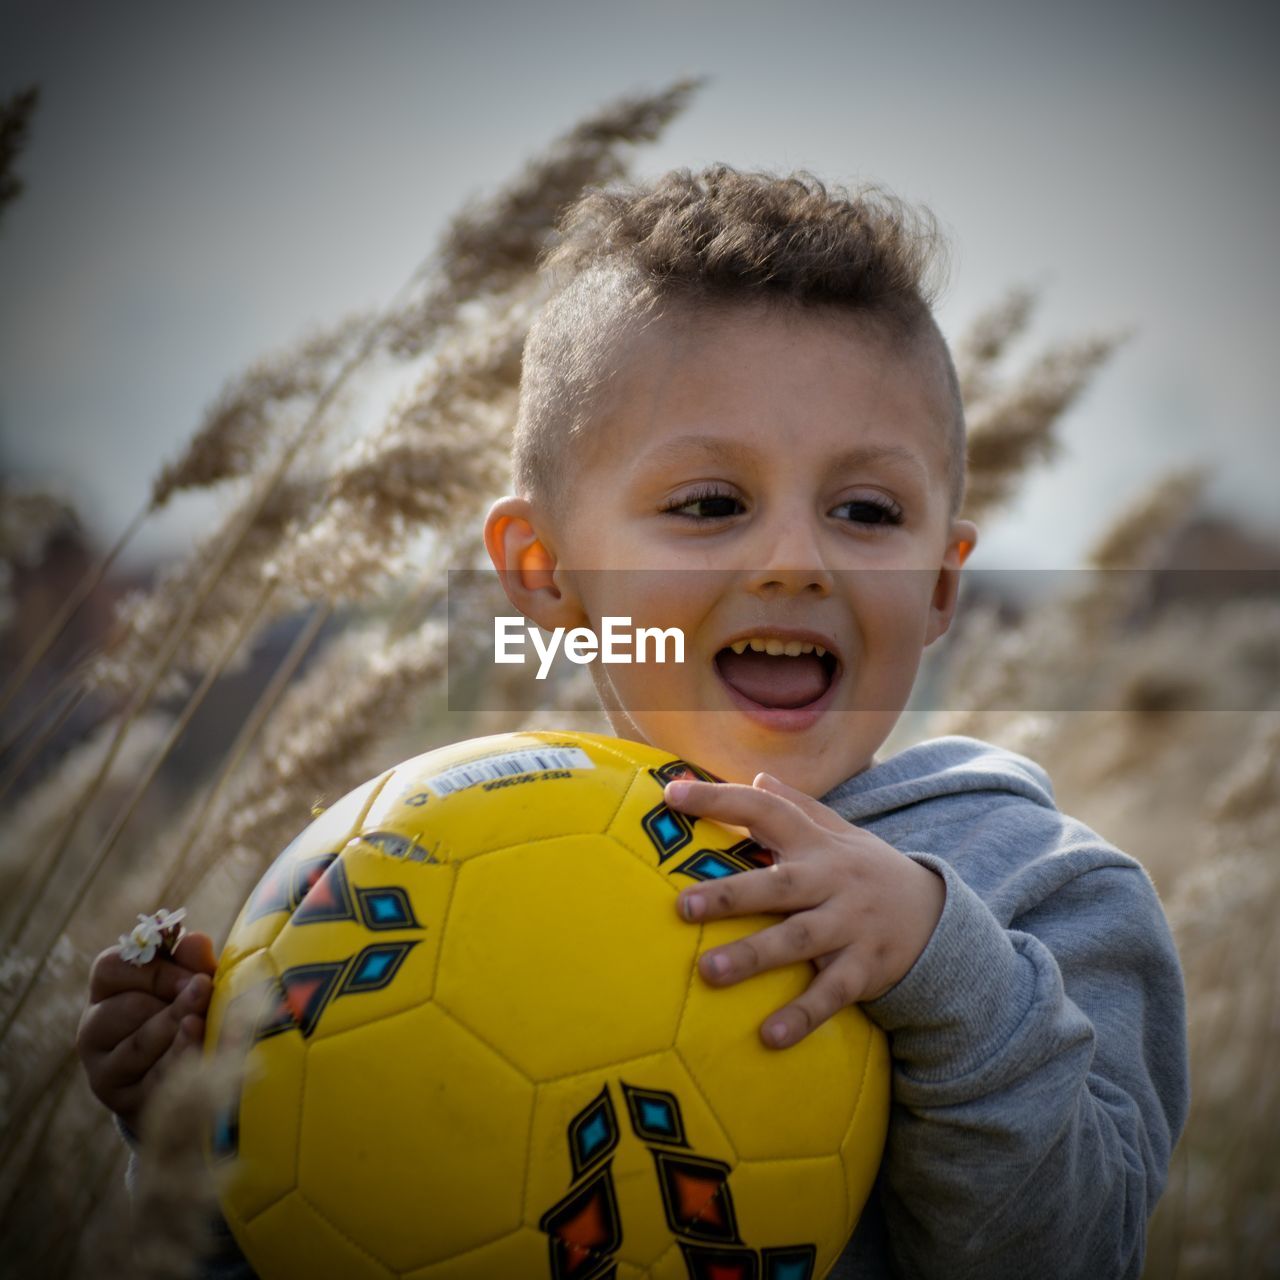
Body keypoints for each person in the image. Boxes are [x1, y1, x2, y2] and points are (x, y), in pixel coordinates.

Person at [77, 163, 1189, 1279]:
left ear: (941, 584)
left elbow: (1077, 1252)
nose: (794, 560)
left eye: (865, 510)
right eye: (709, 504)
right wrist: (201, 1125)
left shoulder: (1042, 888)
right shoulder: (423, 883)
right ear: (546, 573)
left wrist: (943, 965)